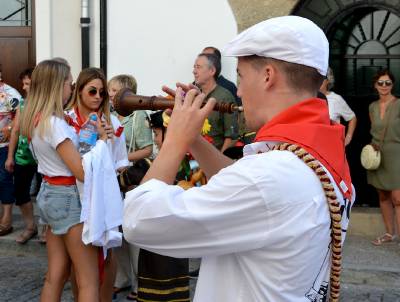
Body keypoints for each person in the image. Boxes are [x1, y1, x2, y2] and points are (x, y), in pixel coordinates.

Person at [123, 16, 355, 302]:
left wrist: (174, 141)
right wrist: (193, 137)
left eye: (242, 77)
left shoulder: (269, 176)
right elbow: (237, 180)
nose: (239, 91)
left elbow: (140, 220)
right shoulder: (317, 151)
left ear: (268, 75)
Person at [20, 60, 111, 301]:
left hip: (49, 193)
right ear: (57, 86)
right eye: (69, 83)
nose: (71, 88)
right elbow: (81, 171)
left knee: (55, 274)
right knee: (88, 281)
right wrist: (102, 140)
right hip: (69, 197)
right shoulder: (56, 123)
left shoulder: (36, 118)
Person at [66, 67, 129, 302]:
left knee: (107, 252)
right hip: (75, 197)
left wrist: (109, 142)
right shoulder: (66, 119)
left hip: (104, 196)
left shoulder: (111, 121)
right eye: (92, 91)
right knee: (79, 260)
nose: (98, 97)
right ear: (79, 90)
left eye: (102, 93)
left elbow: (120, 162)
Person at [131, 110, 190, 302]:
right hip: (179, 244)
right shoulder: (188, 166)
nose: (155, 140)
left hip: (156, 244)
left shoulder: (148, 166)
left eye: (156, 134)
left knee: (155, 288)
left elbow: (124, 179)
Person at [107, 74, 153, 301]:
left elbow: (147, 149)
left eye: (114, 90)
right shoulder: (109, 115)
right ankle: (122, 277)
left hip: (131, 179)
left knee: (133, 233)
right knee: (119, 233)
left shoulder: (138, 115)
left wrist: (119, 159)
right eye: (110, 90)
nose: (109, 94)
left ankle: (138, 281)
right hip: (114, 181)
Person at [4, 68, 38, 243]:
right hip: (23, 156)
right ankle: (30, 227)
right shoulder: (23, 104)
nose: (24, 88)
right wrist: (10, 157)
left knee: (45, 194)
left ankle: (48, 229)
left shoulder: (49, 104)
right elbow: (16, 131)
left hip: (43, 158)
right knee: (21, 192)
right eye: (23, 84)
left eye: (28, 84)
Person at [367, 69, 400, 246]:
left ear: (392, 85)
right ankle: (389, 233)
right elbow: (375, 130)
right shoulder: (372, 107)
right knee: (383, 196)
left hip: (397, 153)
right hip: (378, 154)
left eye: (388, 83)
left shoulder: (399, 104)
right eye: (381, 83)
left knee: (398, 198)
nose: (384, 86)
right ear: (375, 85)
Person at [192, 53, 238, 152]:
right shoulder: (194, 96)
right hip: (194, 158)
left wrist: (219, 161)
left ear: (212, 71)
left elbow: (232, 137)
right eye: (194, 67)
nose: (194, 71)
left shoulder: (225, 97)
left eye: (198, 67)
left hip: (216, 158)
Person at [0, 66, 22, 236]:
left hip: (4, 146)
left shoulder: (11, 94)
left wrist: (8, 126)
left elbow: (20, 119)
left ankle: (7, 218)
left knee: (4, 179)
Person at [320, 67, 357, 146]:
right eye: (316, 77)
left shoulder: (336, 99)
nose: (318, 80)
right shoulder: (308, 97)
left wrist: (348, 138)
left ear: (328, 80)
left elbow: (352, 118)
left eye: (322, 77)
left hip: (332, 145)